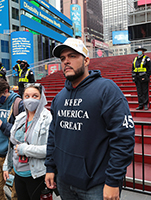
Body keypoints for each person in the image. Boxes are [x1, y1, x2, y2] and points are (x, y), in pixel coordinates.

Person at [45, 38, 135, 200]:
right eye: (63, 58)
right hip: (64, 181)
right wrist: (50, 167)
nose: (66, 61)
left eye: (72, 56)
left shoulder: (107, 90)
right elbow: (53, 135)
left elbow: (123, 138)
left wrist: (113, 181)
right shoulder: (59, 98)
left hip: (97, 185)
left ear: (86, 60)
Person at [3, 83, 52, 200]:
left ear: (42, 98)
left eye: (35, 96)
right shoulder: (20, 118)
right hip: (18, 173)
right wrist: (7, 166)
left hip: (36, 174)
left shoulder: (47, 118)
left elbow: (50, 149)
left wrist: (25, 150)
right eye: (27, 96)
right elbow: (12, 145)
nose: (30, 99)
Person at [0, 79, 24, 199]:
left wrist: (2, 125)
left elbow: (21, 134)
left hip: (11, 157)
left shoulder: (18, 104)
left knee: (16, 194)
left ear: (6, 91)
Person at [132, 46, 151, 110]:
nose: (139, 52)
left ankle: (146, 104)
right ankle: (140, 104)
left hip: (144, 77)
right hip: (137, 77)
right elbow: (133, 68)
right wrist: (133, 76)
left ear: (143, 51)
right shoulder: (135, 59)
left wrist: (147, 76)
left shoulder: (146, 58)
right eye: (138, 50)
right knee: (139, 91)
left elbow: (149, 68)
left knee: (145, 91)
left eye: (140, 50)